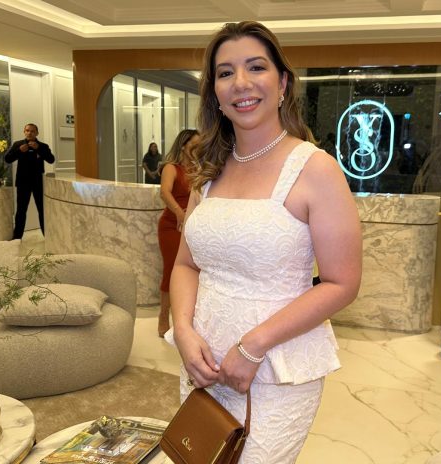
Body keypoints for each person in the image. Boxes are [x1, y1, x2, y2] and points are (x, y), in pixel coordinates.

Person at [168, 21, 361, 463]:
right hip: (201, 363)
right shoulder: (209, 169)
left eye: (256, 67)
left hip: (275, 369)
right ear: (215, 93)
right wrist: (182, 330)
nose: (241, 83)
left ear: (283, 82)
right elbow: (186, 265)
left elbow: (342, 283)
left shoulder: (315, 169)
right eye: (225, 73)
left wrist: (252, 346)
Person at [157, 129, 199, 338]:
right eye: (194, 144)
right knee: (171, 271)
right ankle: (163, 316)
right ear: (183, 146)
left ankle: (184, 319)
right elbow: (164, 192)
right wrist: (180, 214)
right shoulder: (171, 168)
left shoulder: (200, 170)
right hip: (172, 226)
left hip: (193, 228)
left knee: (193, 272)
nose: (198, 148)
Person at [5, 123, 55, 239]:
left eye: (32, 131)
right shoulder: (18, 144)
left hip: (38, 183)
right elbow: (7, 159)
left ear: (37, 133)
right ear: (24, 132)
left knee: (42, 210)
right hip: (22, 182)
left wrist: (39, 149)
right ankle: (17, 238)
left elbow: (51, 160)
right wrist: (19, 151)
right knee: (21, 211)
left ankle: (48, 237)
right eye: (27, 130)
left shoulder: (43, 146)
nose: (29, 133)